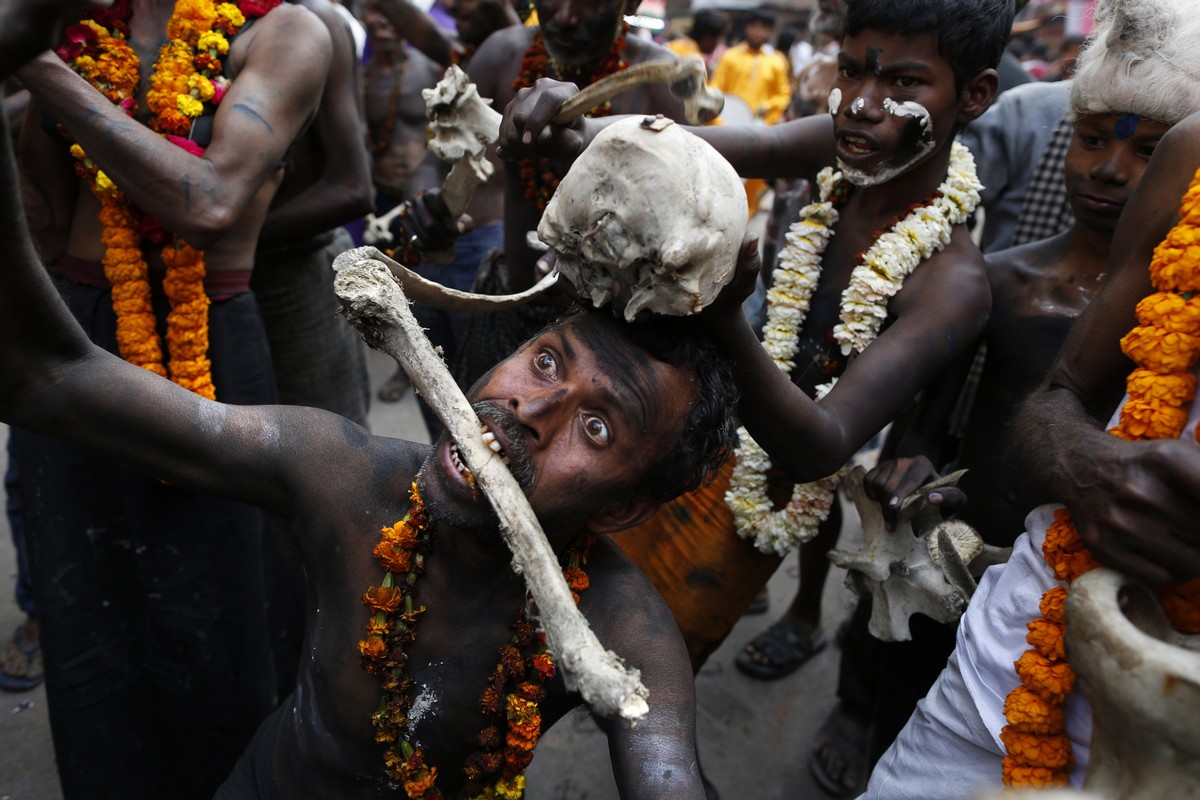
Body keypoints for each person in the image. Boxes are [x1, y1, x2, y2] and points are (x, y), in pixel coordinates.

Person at [0, 75, 742, 798]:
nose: (529, 410)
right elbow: (48, 379)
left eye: (597, 424)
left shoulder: (622, 628)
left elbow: (665, 768)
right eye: (546, 360)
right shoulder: (342, 474)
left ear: (621, 509)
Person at [500, 0, 1008, 705]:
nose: (862, 103)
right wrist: (581, 131)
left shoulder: (953, 284)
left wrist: (724, 316)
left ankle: (785, 630)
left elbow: (822, 447)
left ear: (975, 95)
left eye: (903, 84)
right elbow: (704, 144)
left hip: (782, 461)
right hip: (706, 417)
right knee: (581, 597)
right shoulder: (835, 146)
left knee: (649, 654)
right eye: (854, 70)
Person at [858, 2, 1200, 796]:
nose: (1112, 171)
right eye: (1091, 140)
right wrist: (919, 456)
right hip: (972, 549)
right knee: (898, 668)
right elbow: (941, 411)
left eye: (1145, 150)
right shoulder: (1006, 277)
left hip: (1104, 605)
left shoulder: (1153, 318)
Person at [10, 0, 333, 795]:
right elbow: (47, 224)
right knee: (84, 610)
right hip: (80, 329)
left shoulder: (285, 34)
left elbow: (210, 203)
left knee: (221, 613)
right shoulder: (77, 24)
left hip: (211, 342)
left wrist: (34, 63)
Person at [404, 0, 686, 395]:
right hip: (507, 305)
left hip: (613, 340)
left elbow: (687, 242)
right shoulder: (503, 54)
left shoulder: (662, 84)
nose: (567, 17)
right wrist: (432, 204)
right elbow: (437, 153)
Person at [252, 0, 375, 429]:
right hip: (210, 280)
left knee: (327, 446)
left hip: (297, 272)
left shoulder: (313, 20)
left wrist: (231, 242)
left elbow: (353, 189)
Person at [710, 9, 791, 213]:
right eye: (754, 26)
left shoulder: (777, 61)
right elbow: (715, 89)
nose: (758, 32)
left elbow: (783, 93)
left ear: (770, 32)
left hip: (761, 131)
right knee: (721, 177)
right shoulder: (730, 56)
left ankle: (745, 223)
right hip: (728, 129)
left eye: (764, 28)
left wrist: (769, 107)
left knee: (753, 182)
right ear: (747, 28)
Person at [666, 8, 729, 77]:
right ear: (708, 37)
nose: (718, 43)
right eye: (718, 38)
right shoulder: (696, 61)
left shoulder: (673, 45)